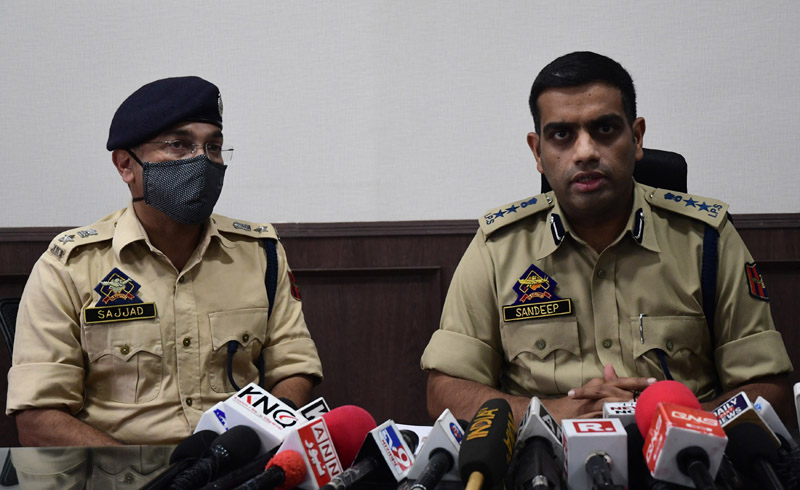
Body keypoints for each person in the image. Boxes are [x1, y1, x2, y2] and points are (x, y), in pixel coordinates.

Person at [421, 52, 793, 425]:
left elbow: (768, 388)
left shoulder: (706, 241)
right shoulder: (498, 249)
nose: (585, 152)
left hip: (684, 462)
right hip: (546, 466)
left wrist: (678, 419)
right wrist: (551, 414)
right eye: (562, 134)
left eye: (604, 129)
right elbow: (446, 391)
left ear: (636, 137)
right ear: (538, 151)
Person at [6, 76, 323, 446]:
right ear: (126, 165)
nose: (201, 161)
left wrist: (266, 437)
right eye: (179, 145)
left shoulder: (260, 254)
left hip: (234, 469)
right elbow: (38, 417)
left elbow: (294, 366)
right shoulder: (71, 265)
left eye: (214, 147)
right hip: (119, 478)